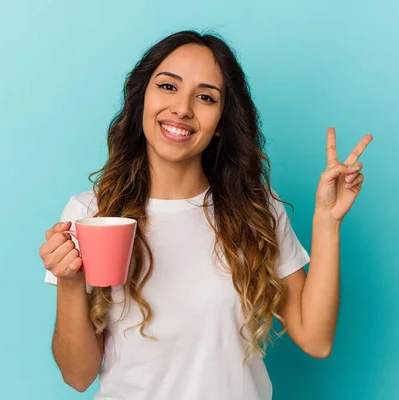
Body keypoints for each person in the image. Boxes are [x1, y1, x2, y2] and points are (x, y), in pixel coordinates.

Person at [39, 30, 372, 400]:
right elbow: (77, 375)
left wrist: (328, 221)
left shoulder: (253, 209)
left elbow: (316, 338)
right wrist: (68, 281)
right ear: (141, 100)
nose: (182, 108)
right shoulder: (91, 214)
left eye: (205, 97)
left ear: (220, 123)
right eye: (168, 87)